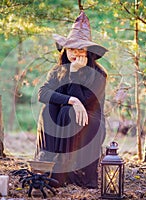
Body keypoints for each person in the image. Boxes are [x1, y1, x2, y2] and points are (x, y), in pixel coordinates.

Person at [35, 10, 108, 189]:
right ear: (65, 50)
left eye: (80, 48)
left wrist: (74, 74)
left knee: (68, 111)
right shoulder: (57, 71)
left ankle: (68, 172)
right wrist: (72, 101)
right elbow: (42, 94)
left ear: (88, 51)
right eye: (71, 48)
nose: (75, 53)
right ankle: (47, 165)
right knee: (49, 108)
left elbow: (86, 104)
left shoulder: (99, 75)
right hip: (62, 121)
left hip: (89, 121)